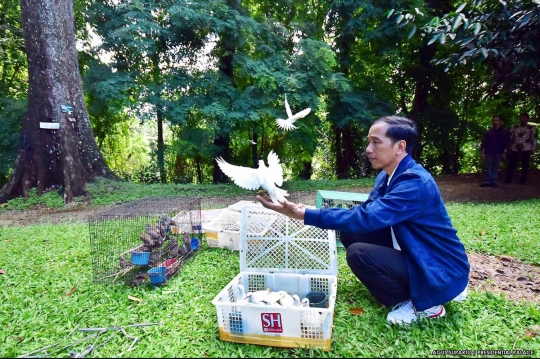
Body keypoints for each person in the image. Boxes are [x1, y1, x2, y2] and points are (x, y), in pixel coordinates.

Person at [256, 116, 470, 325]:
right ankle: (425, 288)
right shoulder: (387, 176)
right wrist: (308, 210)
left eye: (376, 142)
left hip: (439, 264)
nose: (368, 149)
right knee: (351, 232)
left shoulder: (414, 182)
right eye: (369, 142)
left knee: (358, 253)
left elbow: (367, 218)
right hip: (413, 249)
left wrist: (305, 215)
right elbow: (365, 211)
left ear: (400, 147)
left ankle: (427, 304)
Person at [505, 113, 537, 184]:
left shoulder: (531, 128)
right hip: (514, 147)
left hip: (526, 147)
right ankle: (508, 179)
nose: (523, 120)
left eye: (525, 118)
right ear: (519, 118)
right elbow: (510, 137)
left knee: (525, 164)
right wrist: (508, 147)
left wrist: (533, 148)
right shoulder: (515, 127)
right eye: (521, 118)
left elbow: (534, 138)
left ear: (527, 119)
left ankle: (523, 180)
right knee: (512, 163)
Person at [479, 115, 510, 187]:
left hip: (498, 151)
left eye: (497, 120)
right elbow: (484, 142)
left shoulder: (504, 132)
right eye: (494, 120)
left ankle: (493, 181)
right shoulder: (489, 132)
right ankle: (487, 181)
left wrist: (505, 152)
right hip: (489, 151)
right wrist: (483, 152)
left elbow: (507, 143)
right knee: (488, 166)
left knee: (495, 167)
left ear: (500, 121)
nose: (495, 122)